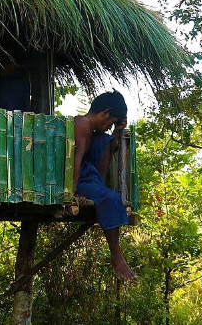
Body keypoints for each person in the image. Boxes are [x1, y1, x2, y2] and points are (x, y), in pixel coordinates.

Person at [73, 91, 136, 281]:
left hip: (91, 179)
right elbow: (75, 158)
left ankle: (117, 256)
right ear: (105, 113)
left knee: (105, 140)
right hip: (78, 181)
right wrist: (71, 192)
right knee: (110, 198)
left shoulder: (97, 135)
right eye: (110, 122)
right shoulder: (82, 123)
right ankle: (117, 257)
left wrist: (116, 132)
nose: (109, 127)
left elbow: (100, 164)